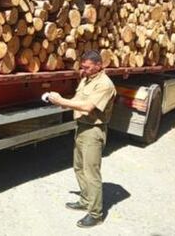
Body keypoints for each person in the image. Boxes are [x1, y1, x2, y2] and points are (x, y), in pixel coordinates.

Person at [47, 50, 116, 228]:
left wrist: (61, 100)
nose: (83, 70)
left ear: (98, 66)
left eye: (86, 67)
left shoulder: (104, 84)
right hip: (82, 128)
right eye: (82, 67)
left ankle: (95, 213)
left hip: (94, 131)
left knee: (91, 172)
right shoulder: (87, 79)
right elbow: (78, 99)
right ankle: (86, 200)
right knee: (79, 167)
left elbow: (87, 106)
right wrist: (58, 100)